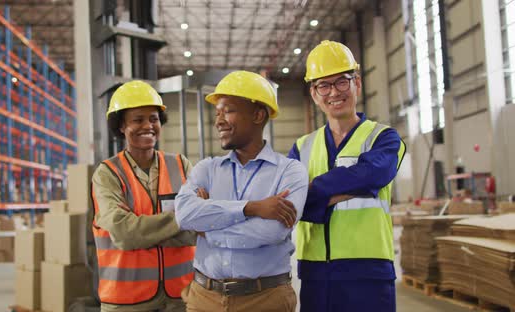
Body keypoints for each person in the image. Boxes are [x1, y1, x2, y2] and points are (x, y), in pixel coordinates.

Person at [175, 70, 309, 312]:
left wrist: (207, 228)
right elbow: (184, 214)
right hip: (204, 298)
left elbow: (271, 231)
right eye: (217, 113)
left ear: (258, 115)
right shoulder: (207, 168)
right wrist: (252, 208)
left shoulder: (290, 171)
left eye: (228, 111)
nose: (218, 121)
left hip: (265, 300)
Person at [289, 40, 406, 312]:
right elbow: (290, 202)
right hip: (316, 274)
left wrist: (314, 189)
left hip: (369, 272)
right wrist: (352, 187)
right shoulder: (301, 146)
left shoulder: (384, 138)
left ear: (357, 84)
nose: (334, 92)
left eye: (342, 81)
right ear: (314, 93)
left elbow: (374, 173)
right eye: (324, 85)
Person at [91, 81, 196, 312]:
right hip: (126, 302)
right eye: (138, 119)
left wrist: (145, 234)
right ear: (121, 126)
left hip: (181, 298)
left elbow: (200, 228)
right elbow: (124, 234)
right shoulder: (107, 173)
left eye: (154, 119)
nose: (148, 126)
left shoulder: (181, 165)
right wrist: (183, 220)